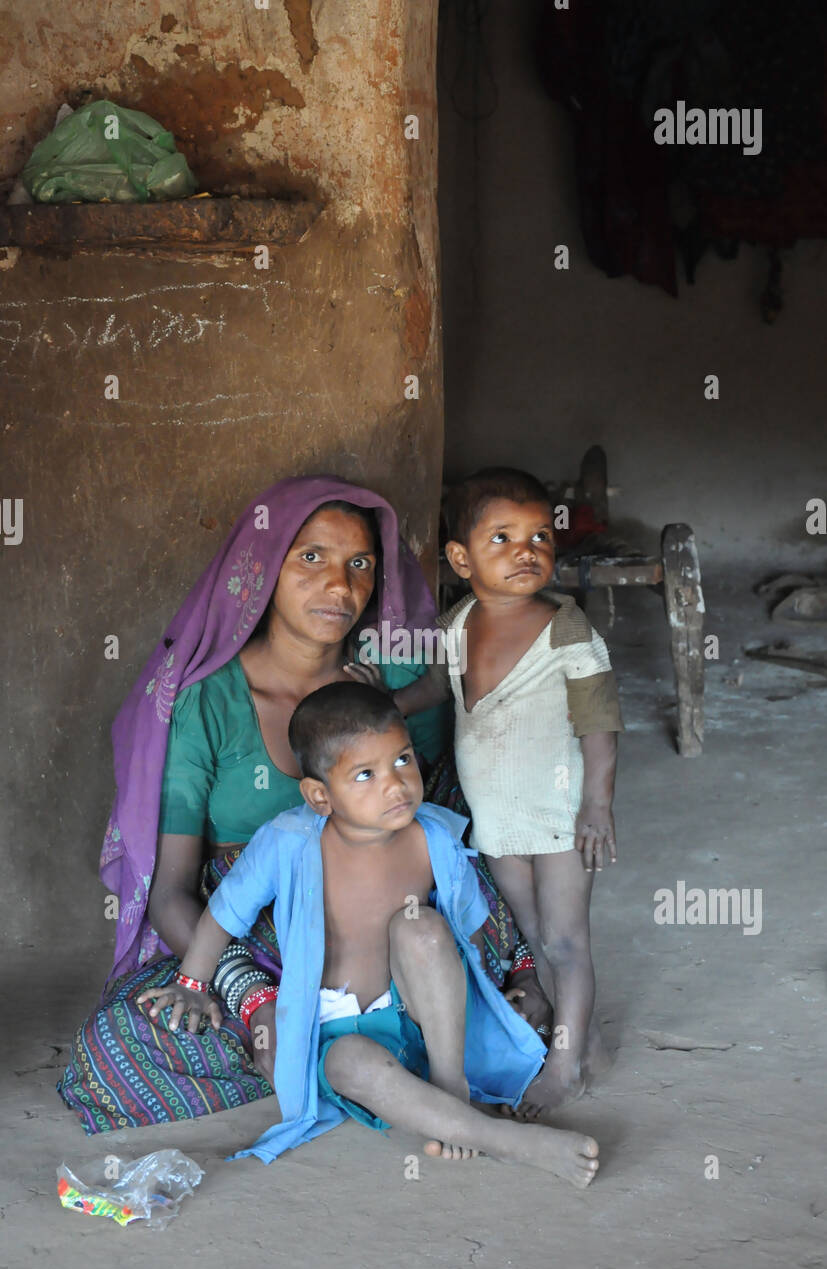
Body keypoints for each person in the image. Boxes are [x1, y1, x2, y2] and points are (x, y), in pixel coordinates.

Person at [57, 474, 544, 1134]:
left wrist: (520, 963)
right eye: (310, 557)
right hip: (263, 942)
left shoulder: (393, 676)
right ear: (259, 570)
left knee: (454, 962)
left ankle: (358, 1059)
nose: (340, 587)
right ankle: (376, 1061)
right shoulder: (209, 699)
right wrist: (249, 997)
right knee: (110, 1051)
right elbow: (172, 891)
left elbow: (449, 816)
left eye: (360, 564)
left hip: (397, 928)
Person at [136, 683, 601, 1187]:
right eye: (365, 774)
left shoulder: (434, 836)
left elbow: (472, 930)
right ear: (319, 795)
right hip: (335, 1029)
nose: (396, 785)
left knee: (422, 927)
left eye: (402, 760)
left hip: (419, 1018)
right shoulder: (288, 842)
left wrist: (519, 980)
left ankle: (452, 1093)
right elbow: (225, 913)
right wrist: (192, 984)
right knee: (351, 1064)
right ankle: (503, 1139)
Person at [376, 467, 625, 1119]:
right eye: (503, 538)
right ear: (460, 559)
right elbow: (435, 691)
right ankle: (581, 1033)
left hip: (561, 817)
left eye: (540, 535)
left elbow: (600, 726)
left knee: (567, 939)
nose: (526, 550)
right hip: (496, 817)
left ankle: (564, 1063)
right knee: (535, 934)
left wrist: (596, 806)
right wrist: (380, 707)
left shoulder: (568, 632)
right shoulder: (458, 626)